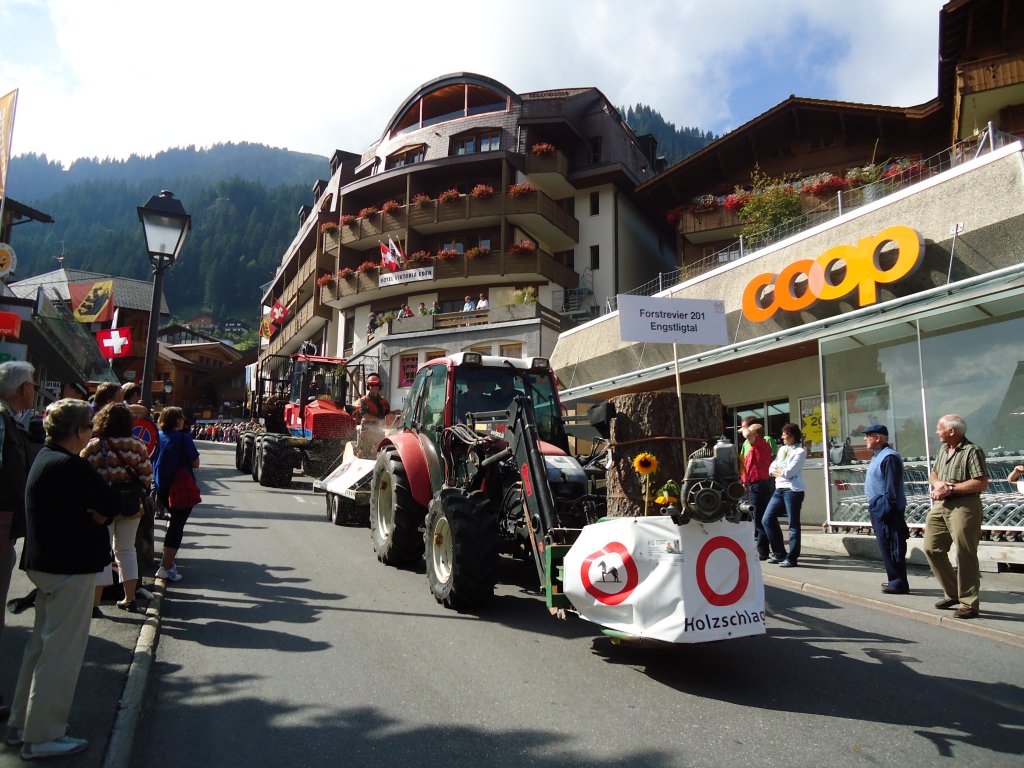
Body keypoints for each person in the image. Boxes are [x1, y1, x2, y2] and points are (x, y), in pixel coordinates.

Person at [6, 398, 118, 760]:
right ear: (78, 431)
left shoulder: (44, 456)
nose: (91, 432)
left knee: (40, 648)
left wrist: (99, 510)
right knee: (61, 656)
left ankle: (23, 725)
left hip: (45, 564)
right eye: (89, 426)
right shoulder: (72, 466)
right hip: (69, 568)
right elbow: (111, 503)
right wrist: (99, 513)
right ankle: (43, 736)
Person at [81, 403, 153, 614]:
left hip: (101, 507)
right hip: (131, 505)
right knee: (127, 550)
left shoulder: (94, 445)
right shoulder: (138, 445)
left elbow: (83, 476)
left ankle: (95, 603)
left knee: (101, 552)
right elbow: (147, 478)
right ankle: (129, 598)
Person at [925, 414, 989, 619]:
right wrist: (937, 484)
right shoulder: (944, 450)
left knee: (964, 553)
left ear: (952, 431)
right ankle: (953, 593)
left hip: (965, 505)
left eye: (939, 428)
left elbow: (980, 482)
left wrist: (951, 487)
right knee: (931, 548)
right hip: (941, 505)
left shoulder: (972, 450)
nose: (937, 432)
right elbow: (933, 473)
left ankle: (969, 603)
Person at [0, 362, 36, 722]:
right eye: (32, 384)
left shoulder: (12, 420)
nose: (35, 390)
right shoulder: (1, 420)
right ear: (20, 388)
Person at [153, 407, 200, 583]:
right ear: (176, 420)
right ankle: (165, 567)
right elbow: (195, 463)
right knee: (176, 527)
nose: (183, 420)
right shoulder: (183, 438)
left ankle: (167, 561)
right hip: (179, 487)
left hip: (161, 486)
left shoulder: (157, 435)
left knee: (173, 522)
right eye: (181, 417)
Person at [862, 424, 910, 594]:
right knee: (886, 545)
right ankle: (894, 580)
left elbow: (891, 488)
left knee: (892, 545)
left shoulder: (889, 457)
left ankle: (898, 583)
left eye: (868, 436)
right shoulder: (878, 456)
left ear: (878, 438)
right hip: (879, 508)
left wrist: (885, 509)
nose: (865, 439)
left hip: (887, 509)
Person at [763, 422, 806, 567]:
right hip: (779, 489)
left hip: (793, 490)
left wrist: (778, 472)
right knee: (767, 519)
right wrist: (779, 472)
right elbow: (770, 468)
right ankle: (779, 553)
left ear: (792, 436)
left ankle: (792, 558)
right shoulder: (782, 450)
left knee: (793, 524)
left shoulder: (800, 451)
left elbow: (789, 473)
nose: (782, 437)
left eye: (784, 435)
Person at [742, 423, 773, 561]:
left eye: (750, 433)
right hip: (755, 485)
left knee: (759, 520)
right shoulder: (757, 447)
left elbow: (747, 434)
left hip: (758, 485)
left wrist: (743, 428)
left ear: (756, 435)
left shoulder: (761, 444)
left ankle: (763, 551)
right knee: (758, 519)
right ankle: (762, 549)